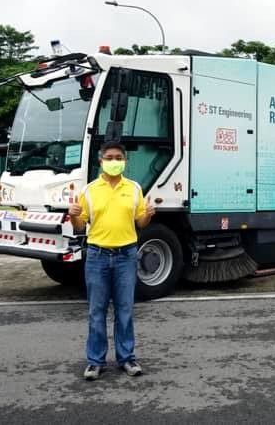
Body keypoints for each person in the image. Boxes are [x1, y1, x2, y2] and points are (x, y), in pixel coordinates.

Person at [69, 141, 155, 380]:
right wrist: (73, 216)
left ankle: (126, 358)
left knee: (125, 310)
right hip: (97, 256)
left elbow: (140, 222)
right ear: (101, 161)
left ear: (125, 161)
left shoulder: (134, 188)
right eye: (109, 157)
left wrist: (148, 215)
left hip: (126, 256)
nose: (114, 161)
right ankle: (95, 361)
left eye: (118, 157)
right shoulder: (89, 190)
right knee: (96, 311)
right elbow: (80, 225)